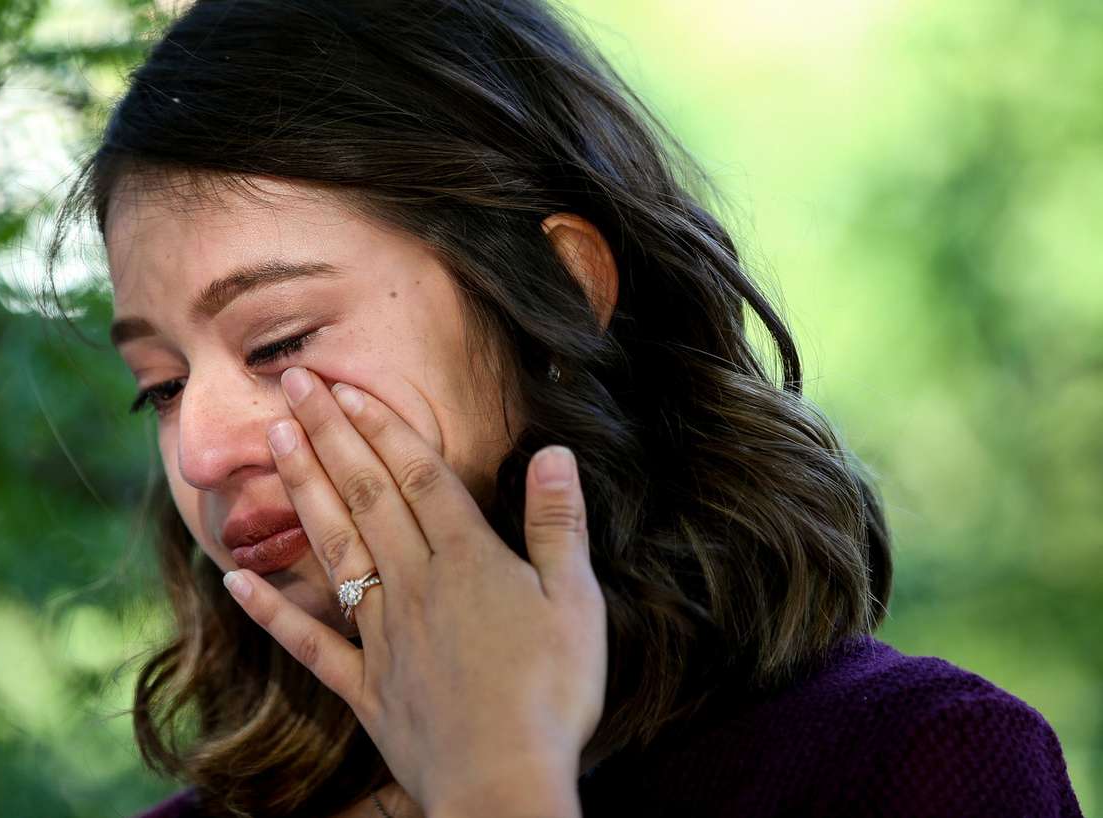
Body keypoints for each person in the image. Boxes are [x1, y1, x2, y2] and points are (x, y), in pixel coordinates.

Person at [53, 0, 1085, 815]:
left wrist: (494, 783)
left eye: (277, 342)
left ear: (556, 292)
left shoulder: (913, 762)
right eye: (163, 385)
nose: (199, 448)